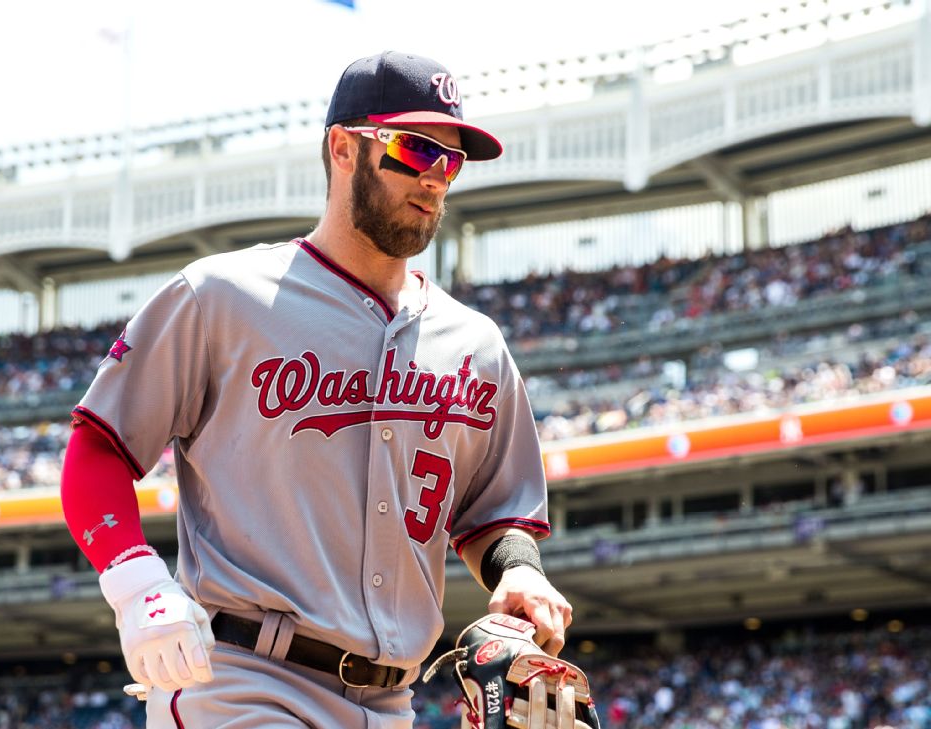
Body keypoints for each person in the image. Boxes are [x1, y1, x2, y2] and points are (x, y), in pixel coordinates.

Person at [60, 51, 572, 728]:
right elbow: (98, 447)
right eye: (415, 149)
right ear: (342, 148)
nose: (435, 177)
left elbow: (494, 513)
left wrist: (520, 571)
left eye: (451, 160)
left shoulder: (475, 345)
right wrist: (136, 584)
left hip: (392, 702)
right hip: (244, 683)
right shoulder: (222, 297)